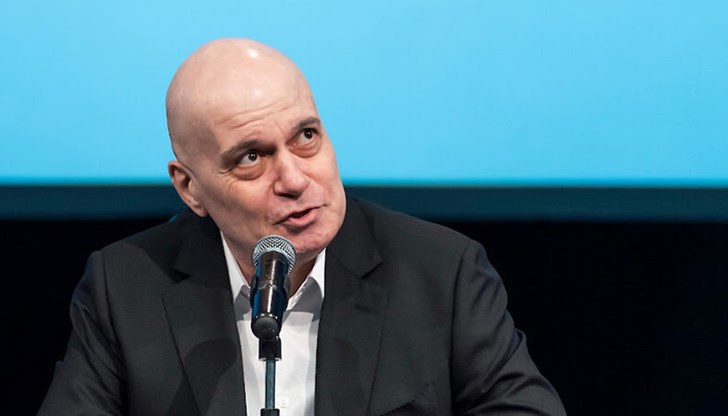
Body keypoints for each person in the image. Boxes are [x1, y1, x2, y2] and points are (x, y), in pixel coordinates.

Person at [39, 38, 566, 415]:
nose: (294, 179)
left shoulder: (440, 271)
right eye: (251, 157)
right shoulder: (124, 287)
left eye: (306, 137)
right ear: (190, 187)